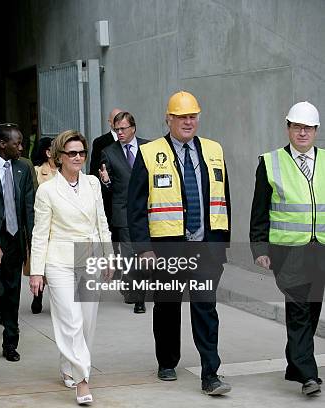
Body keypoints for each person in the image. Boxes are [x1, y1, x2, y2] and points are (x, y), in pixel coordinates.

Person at [127, 91, 232, 395]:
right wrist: (143, 247)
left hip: (205, 246)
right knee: (167, 307)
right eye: (182, 116)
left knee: (205, 308)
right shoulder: (150, 153)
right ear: (168, 119)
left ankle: (210, 373)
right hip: (166, 247)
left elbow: (224, 198)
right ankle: (167, 361)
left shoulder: (213, 150)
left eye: (193, 116)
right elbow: (135, 206)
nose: (188, 122)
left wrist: (221, 244)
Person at [29, 130, 113, 405]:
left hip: (89, 257)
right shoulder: (47, 190)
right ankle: (82, 380)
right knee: (71, 321)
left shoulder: (92, 184)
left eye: (81, 152)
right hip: (59, 262)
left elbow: (102, 222)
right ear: (59, 156)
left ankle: (68, 366)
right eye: (71, 153)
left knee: (86, 323)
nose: (77, 157)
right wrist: (36, 271)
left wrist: (109, 256)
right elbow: (40, 233)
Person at [250, 101, 324, 397]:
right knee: (299, 310)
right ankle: (308, 375)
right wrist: (259, 248)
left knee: (312, 308)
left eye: (308, 127)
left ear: (316, 131)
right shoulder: (270, 162)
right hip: (288, 251)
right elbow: (259, 211)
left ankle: (296, 364)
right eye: (297, 127)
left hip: (320, 250)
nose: (302, 132)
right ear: (288, 128)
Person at [0, 123, 35, 362]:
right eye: (17, 143)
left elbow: (30, 207)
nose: (21, 147)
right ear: (2, 144)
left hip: (15, 241)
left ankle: (11, 343)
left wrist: (33, 240)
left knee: (12, 295)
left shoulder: (23, 167)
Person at [99, 111, 149, 314]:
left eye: (123, 129)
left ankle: (137, 289)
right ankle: (138, 297)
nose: (119, 132)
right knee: (130, 255)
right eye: (116, 129)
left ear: (133, 128)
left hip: (148, 211)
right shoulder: (109, 152)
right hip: (124, 212)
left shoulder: (149, 147)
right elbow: (109, 188)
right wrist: (106, 181)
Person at [28, 136, 57, 314]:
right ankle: (37, 294)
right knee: (43, 262)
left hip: (61, 226)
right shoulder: (38, 171)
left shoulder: (67, 171)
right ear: (48, 152)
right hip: (44, 224)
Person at [90, 108, 124, 231]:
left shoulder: (133, 141)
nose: (120, 122)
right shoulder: (100, 142)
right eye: (116, 119)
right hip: (109, 196)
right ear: (110, 122)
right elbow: (94, 169)